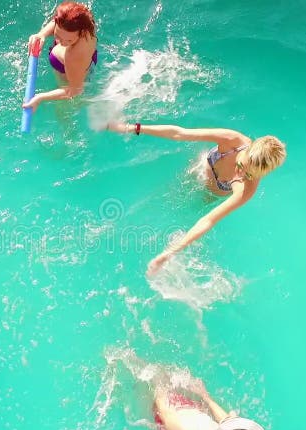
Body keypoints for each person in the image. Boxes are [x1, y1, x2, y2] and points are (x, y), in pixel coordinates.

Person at [107, 122, 286, 275]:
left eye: (249, 175)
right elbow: (180, 133)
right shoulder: (232, 140)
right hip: (202, 168)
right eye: (241, 165)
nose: (241, 174)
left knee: (189, 210)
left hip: (213, 193)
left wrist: (169, 252)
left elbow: (209, 220)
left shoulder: (246, 190)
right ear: (249, 149)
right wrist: (131, 127)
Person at [22, 1, 98, 112]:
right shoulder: (82, 19)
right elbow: (58, 20)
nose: (61, 42)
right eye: (57, 35)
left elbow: (75, 90)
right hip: (82, 60)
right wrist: (42, 34)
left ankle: (68, 127)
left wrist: (40, 98)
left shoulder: (74, 56)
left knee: (63, 109)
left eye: (69, 40)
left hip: (74, 69)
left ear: (81, 33)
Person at [154, 381, 267, 430]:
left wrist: (159, 391)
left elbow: (166, 414)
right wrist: (206, 397)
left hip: (172, 416)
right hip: (194, 412)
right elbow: (226, 419)